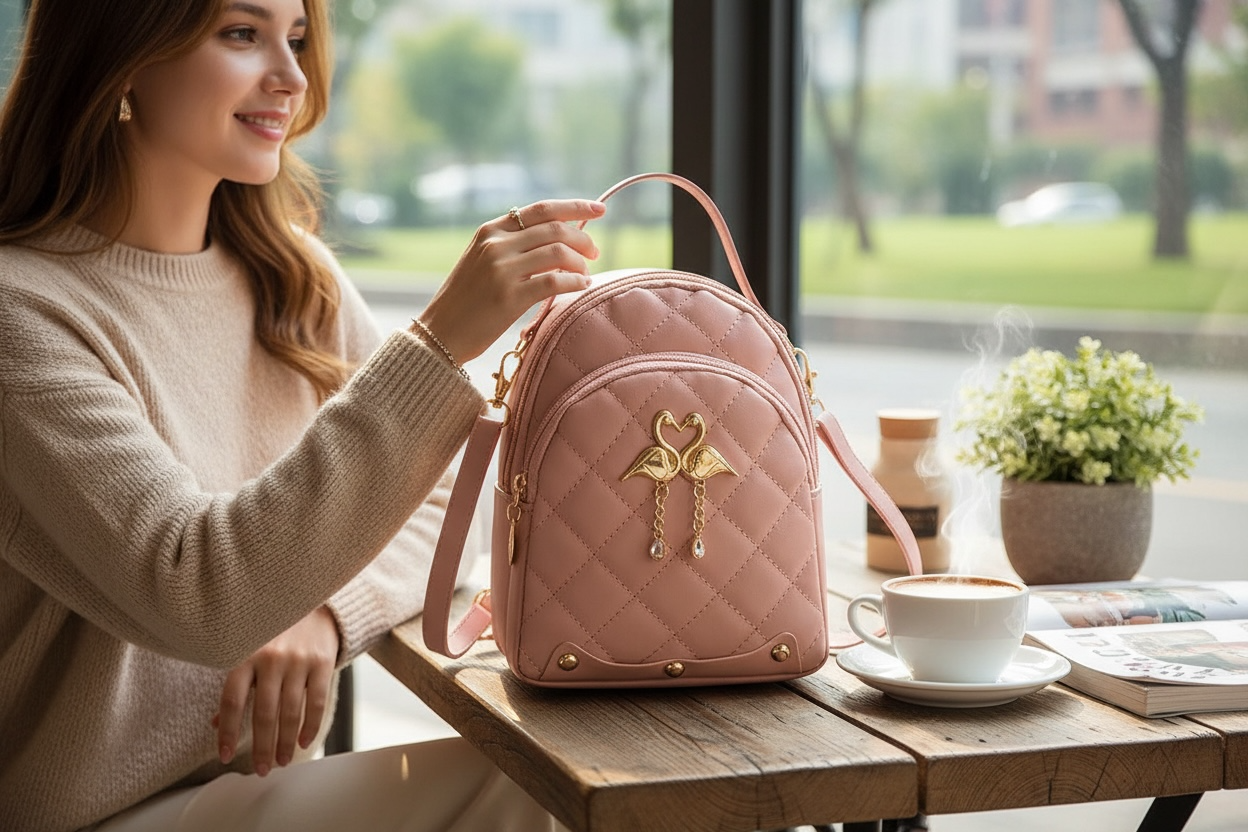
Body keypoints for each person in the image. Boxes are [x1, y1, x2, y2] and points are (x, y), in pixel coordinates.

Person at [0, 0, 602, 830]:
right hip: (90, 815)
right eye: (242, 34)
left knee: (546, 777)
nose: (291, 78)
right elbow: (198, 591)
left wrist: (328, 613)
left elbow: (446, 502)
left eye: (295, 38)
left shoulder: (292, 277)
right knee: (531, 787)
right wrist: (438, 342)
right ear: (122, 57)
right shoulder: (21, 313)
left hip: (248, 793)